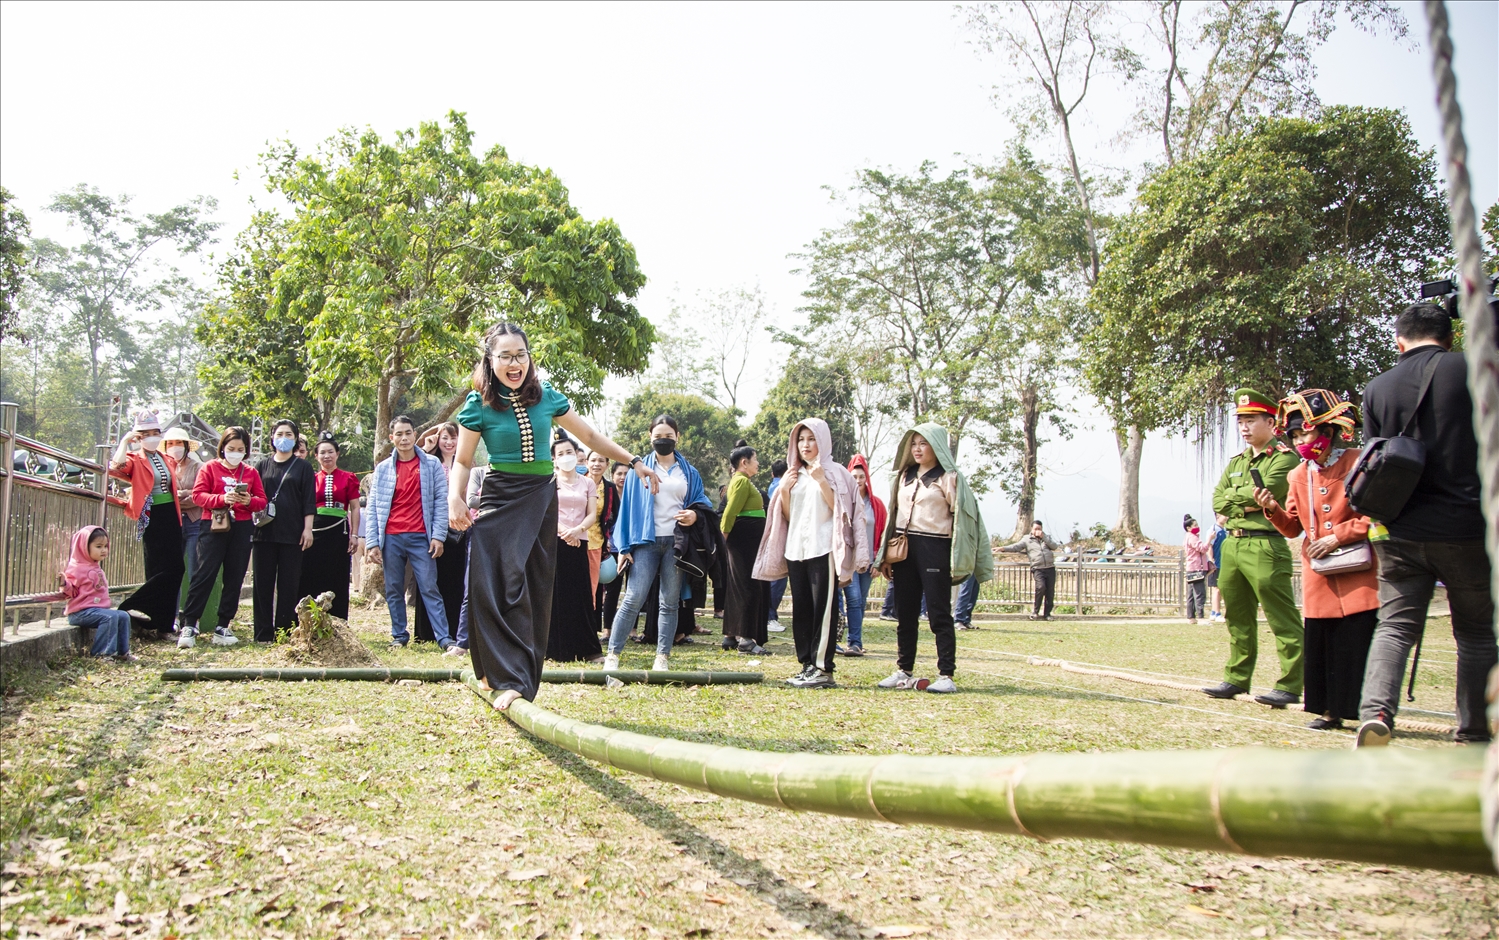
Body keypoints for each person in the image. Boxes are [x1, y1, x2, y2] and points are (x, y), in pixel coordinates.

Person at [448, 323, 651, 710]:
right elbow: (461, 459)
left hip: (541, 498)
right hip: (499, 498)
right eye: (504, 356)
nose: (514, 363)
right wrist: (454, 499)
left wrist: (634, 461)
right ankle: (497, 674)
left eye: (520, 355)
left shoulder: (547, 398)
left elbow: (590, 437)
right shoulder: (478, 405)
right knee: (491, 585)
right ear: (490, 362)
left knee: (534, 587)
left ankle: (520, 678)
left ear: (529, 358)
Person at [1355, 303, 1495, 747]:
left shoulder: (1377, 388)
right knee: (1475, 632)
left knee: (1394, 626)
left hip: (1401, 529)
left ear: (1399, 341)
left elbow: (1373, 458)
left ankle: (1375, 713)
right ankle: (1473, 728)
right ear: (1449, 336)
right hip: (1467, 527)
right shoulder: (1473, 372)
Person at [1254, 389, 1378, 730]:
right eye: (1294, 435)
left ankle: (1370, 712)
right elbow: (1293, 527)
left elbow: (1375, 515)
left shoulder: (1358, 461)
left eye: (1304, 432)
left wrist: (1339, 535)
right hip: (1319, 574)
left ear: (1327, 430)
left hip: (1358, 569)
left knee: (1357, 641)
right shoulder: (1298, 475)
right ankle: (1329, 712)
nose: (1299, 441)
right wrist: (1272, 509)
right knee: (1324, 641)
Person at [1203, 388, 1303, 708]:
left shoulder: (1285, 458)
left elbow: (1266, 490)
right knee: (1237, 616)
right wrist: (1243, 504)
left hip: (1265, 544)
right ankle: (1236, 677)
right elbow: (1219, 499)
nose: (1244, 427)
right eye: (1241, 421)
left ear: (1271, 422)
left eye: (1251, 420)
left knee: (1280, 617)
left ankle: (1291, 682)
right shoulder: (1237, 462)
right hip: (1231, 544)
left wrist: (1239, 502)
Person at [875, 423, 992, 693]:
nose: (917, 449)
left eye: (923, 443)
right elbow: (893, 515)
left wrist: (961, 557)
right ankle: (904, 669)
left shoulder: (949, 478)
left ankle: (946, 675)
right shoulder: (903, 475)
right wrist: (886, 557)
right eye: (913, 444)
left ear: (936, 446)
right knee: (904, 612)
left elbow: (964, 519)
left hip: (935, 547)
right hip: (904, 548)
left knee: (939, 612)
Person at [753, 419, 869, 689]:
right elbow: (789, 517)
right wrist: (783, 490)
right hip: (797, 549)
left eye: (811, 439)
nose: (805, 445)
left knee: (823, 610)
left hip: (823, 548)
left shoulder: (836, 473)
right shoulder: (793, 475)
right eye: (801, 440)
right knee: (802, 610)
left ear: (823, 441)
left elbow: (840, 511)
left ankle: (823, 668)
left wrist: (822, 482)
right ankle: (807, 664)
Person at [602, 413, 712, 674]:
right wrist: (624, 548)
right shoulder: (637, 470)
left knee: (669, 602)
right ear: (650, 438)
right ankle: (613, 654)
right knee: (633, 598)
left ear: (677, 438)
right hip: (645, 542)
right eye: (658, 437)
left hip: (676, 543)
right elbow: (627, 510)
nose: (663, 441)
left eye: (668, 437)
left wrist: (694, 515)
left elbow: (702, 503)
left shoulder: (689, 472)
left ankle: (662, 656)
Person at [367, 415, 452, 649]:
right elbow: (374, 506)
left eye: (408, 433)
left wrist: (438, 536)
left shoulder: (431, 464)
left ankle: (444, 638)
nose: (404, 438)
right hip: (391, 537)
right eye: (399, 434)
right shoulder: (383, 469)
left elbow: (440, 502)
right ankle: (399, 636)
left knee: (429, 587)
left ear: (415, 435)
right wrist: (372, 542)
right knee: (394, 588)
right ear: (391, 437)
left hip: (421, 537)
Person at [178, 426, 266, 648]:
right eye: (231, 448)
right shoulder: (209, 468)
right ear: (223, 448)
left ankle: (223, 625)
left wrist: (248, 501)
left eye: (240, 449)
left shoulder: (251, 472)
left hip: (243, 526)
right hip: (214, 525)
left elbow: (262, 501)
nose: (235, 452)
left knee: (235, 576)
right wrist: (222, 498)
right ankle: (189, 624)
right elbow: (198, 496)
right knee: (204, 573)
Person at [108, 411, 184, 635]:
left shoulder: (166, 458)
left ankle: (163, 623)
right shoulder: (135, 459)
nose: (151, 437)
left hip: (171, 513)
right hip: (151, 514)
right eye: (146, 434)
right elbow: (115, 467)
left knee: (176, 568)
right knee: (157, 568)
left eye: (155, 433)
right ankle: (131, 606)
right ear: (138, 437)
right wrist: (124, 441)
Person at [251, 419, 316, 643]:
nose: (284, 438)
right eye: (280, 433)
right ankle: (262, 633)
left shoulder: (304, 467)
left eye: (289, 434)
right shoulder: (261, 465)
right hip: (263, 534)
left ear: (296, 439)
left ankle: (285, 631)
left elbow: (309, 501)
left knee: (288, 585)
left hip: (293, 535)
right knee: (262, 585)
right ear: (272, 438)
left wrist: (308, 529)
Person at [547, 433, 602, 663]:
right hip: (555, 542)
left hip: (581, 541)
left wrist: (577, 530)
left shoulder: (587, 482)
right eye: (561, 454)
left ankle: (588, 649)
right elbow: (547, 513)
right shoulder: (549, 482)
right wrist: (565, 532)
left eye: (569, 452)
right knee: (556, 595)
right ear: (554, 459)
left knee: (581, 595)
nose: (566, 457)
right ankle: (556, 650)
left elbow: (592, 513)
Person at [298, 431, 361, 620]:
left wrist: (355, 534)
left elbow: (355, 507)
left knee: (337, 575)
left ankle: (338, 619)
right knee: (310, 572)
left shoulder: (348, 477)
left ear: (337, 454)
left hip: (338, 531)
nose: (327, 456)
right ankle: (309, 618)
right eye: (322, 453)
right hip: (314, 530)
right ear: (316, 456)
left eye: (330, 452)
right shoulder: (310, 478)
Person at [414, 422, 465, 645]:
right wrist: (429, 441)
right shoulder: (428, 461)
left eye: (453, 438)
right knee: (428, 579)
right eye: (445, 437)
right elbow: (411, 459)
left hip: (458, 530)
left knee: (455, 579)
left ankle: (453, 629)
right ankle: (426, 631)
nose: (449, 442)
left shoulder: (465, 464)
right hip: (432, 527)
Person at [720, 441, 771, 655]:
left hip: (747, 538)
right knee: (748, 586)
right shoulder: (740, 481)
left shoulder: (742, 481)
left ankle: (731, 635)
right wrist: (724, 536)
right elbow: (730, 511)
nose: (758, 464)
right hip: (744, 539)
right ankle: (746, 640)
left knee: (738, 585)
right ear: (744, 462)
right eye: (755, 459)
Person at [61, 526, 136, 661]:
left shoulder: (96, 567)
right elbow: (71, 591)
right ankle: (101, 654)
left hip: (96, 611)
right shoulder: (77, 568)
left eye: (106, 546)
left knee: (123, 615)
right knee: (110, 617)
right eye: (98, 546)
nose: (104, 550)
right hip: (80, 613)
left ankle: (122, 652)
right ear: (84, 547)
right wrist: (64, 584)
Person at [838, 454, 886, 655]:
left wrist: (880, 562)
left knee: (861, 601)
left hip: (869, 560)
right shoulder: (843, 501)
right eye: (854, 477)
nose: (857, 481)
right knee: (854, 598)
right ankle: (853, 641)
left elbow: (884, 532)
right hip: (850, 558)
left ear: (866, 478)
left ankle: (856, 641)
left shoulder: (876, 505)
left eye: (861, 476)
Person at [162, 427, 205, 585]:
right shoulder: (164, 468)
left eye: (179, 442)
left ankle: (192, 609)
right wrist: (185, 495)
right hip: (173, 522)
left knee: (194, 570)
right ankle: (171, 610)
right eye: (171, 443)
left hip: (195, 522)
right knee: (172, 569)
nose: (175, 446)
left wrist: (182, 495)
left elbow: (201, 495)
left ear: (186, 445)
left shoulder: (198, 467)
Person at [998, 522, 1061, 620]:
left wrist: (1044, 537)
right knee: (1041, 587)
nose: (1037, 531)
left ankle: (1047, 614)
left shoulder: (1046, 538)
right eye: (1035, 528)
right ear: (1032, 529)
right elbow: (1016, 547)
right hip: (1038, 568)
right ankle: (1035, 611)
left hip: (1050, 567)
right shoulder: (1027, 539)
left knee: (1050, 591)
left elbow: (1054, 546)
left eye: (1039, 528)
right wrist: (1003, 548)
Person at [595, 462, 629, 636]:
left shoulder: (634, 496)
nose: (623, 477)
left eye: (626, 474)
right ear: (613, 475)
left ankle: (633, 630)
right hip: (613, 548)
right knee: (612, 590)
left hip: (633, 548)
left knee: (633, 590)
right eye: (619, 474)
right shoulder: (607, 495)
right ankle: (607, 630)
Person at [585, 450, 620, 602]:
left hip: (596, 543)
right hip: (573, 540)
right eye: (593, 460)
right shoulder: (577, 483)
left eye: (601, 461)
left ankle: (590, 624)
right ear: (587, 463)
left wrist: (608, 536)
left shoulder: (610, 488)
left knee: (593, 587)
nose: (596, 464)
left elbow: (617, 515)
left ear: (607, 465)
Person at [765, 458, 788, 633]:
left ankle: (771, 615)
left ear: (773, 474)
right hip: (780, 538)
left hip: (775, 538)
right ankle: (769, 616)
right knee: (777, 580)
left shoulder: (772, 487)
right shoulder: (783, 488)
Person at [1182, 515, 1215, 624]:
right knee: (1200, 593)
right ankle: (1201, 617)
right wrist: (1209, 539)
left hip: (1191, 568)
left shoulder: (1188, 537)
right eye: (1195, 525)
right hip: (1197, 568)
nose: (1197, 527)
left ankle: (1191, 617)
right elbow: (1203, 548)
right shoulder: (1192, 537)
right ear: (1189, 528)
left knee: (1191, 593)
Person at [1209, 519, 1228, 622]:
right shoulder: (1214, 529)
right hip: (1217, 564)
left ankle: (1213, 612)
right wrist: (1212, 560)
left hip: (1223, 563)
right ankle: (1217, 613)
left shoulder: (1225, 530)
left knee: (1218, 589)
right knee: (1217, 589)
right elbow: (1209, 546)